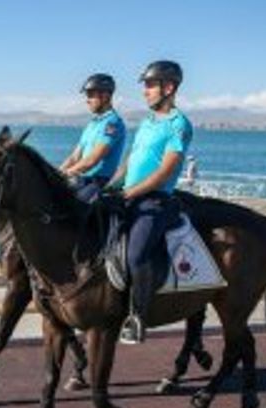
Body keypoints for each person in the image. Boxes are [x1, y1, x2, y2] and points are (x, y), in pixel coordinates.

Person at [105, 60, 193, 344]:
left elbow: (165, 171)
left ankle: (138, 317)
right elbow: (132, 159)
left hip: (154, 202)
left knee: (136, 255)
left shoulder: (179, 125)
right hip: (129, 195)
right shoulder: (147, 122)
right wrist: (111, 186)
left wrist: (130, 193)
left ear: (169, 87)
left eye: (150, 85)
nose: (145, 92)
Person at [59, 73, 126, 203]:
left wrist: (67, 173)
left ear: (105, 96)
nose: (87, 100)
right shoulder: (92, 124)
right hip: (82, 179)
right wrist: (56, 173)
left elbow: (93, 159)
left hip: (99, 182)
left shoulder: (113, 123)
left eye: (90, 95)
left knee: (74, 207)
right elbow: (75, 157)